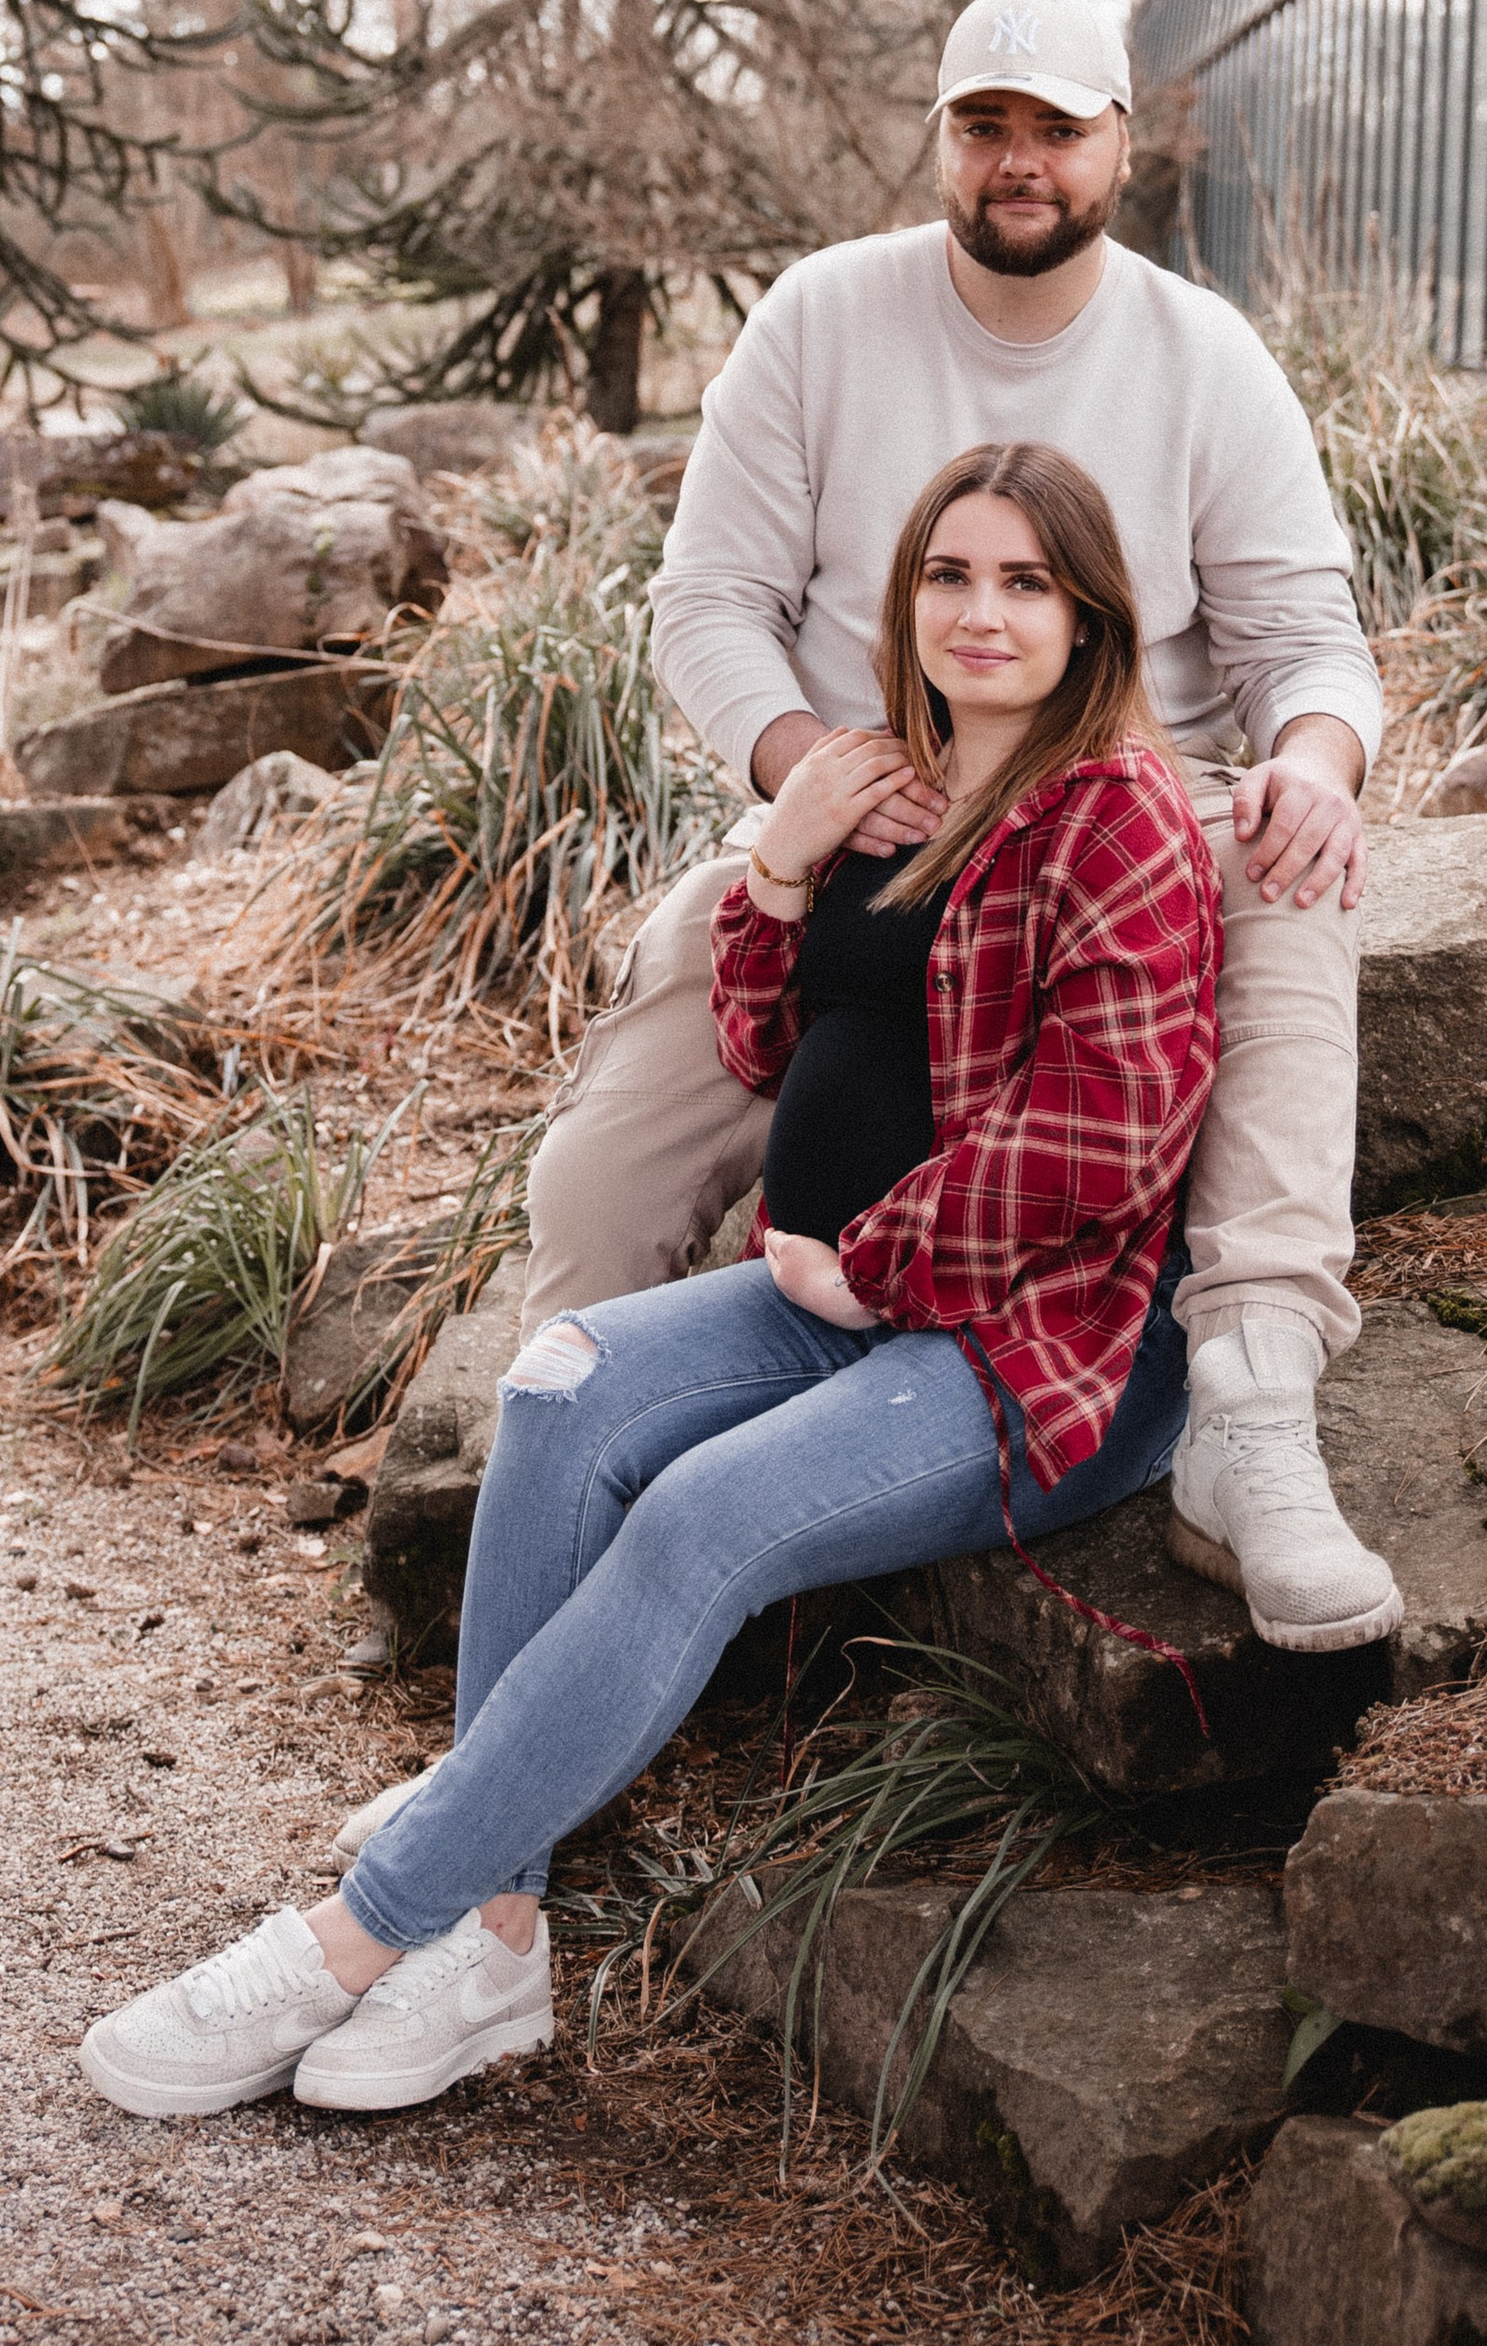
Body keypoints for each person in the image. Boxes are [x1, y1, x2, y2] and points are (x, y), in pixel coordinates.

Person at [79, 442, 1217, 2124]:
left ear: (1091, 617)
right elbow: (762, 1042)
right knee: (561, 1382)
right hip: (838, 1299)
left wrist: (871, 1259)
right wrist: (785, 859)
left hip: (1037, 1343)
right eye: (950, 575)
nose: (982, 613)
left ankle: (355, 1935)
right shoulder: (890, 784)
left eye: (1026, 583)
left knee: (698, 1517)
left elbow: (1106, 1140)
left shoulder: (1117, 816)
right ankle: (498, 1938)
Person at [527, 0, 1401, 1654]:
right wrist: (807, 775)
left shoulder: (1202, 355)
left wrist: (1313, 757)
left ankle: (1251, 1402)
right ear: (941, 140)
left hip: (1127, 805)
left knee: (1292, 873)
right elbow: (705, 601)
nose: (1020, 161)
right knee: (620, 1118)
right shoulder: (820, 319)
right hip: (875, 798)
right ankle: (569, 1472)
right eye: (985, 126)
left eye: (1056, 129)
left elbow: (1308, 640)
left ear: (1119, 145)